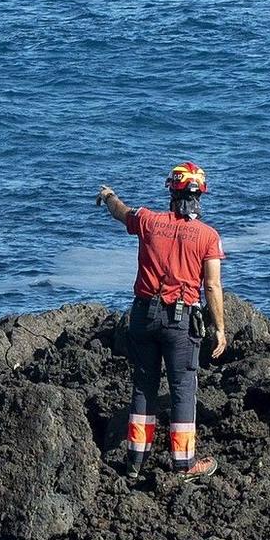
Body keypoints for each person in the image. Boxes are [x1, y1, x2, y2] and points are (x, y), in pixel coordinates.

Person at [97, 161, 227, 481]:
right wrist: (220, 328)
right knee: (183, 387)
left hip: (143, 316)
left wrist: (109, 195)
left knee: (143, 386)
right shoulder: (208, 236)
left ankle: (135, 461)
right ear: (200, 197)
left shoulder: (148, 221)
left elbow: (120, 211)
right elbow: (211, 285)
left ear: (171, 191)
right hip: (180, 322)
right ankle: (184, 464)